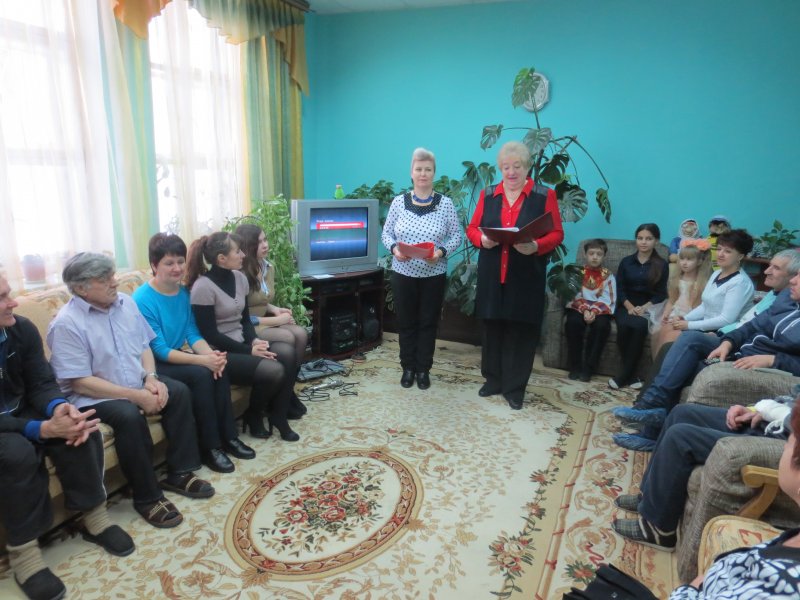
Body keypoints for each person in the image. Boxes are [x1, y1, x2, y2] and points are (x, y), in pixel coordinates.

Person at [47, 253, 214, 530]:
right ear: (81, 288)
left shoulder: (125, 303)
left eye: (112, 275)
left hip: (136, 381)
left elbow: (144, 346)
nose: (114, 282)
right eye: (105, 279)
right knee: (128, 415)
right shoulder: (67, 323)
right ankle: (147, 496)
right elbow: (80, 382)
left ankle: (180, 471)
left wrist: (151, 378)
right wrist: (135, 396)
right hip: (94, 396)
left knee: (178, 392)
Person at [0, 274, 134, 600]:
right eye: (2, 298)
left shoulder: (21, 329)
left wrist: (59, 408)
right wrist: (40, 429)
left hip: (24, 409)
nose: (13, 302)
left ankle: (96, 519)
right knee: (16, 455)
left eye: (9, 293)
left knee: (80, 429)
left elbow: (41, 382)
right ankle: (24, 556)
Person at [612, 269, 800, 449]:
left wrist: (773, 359)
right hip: (738, 348)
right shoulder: (786, 298)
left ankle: (650, 433)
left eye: (799, 277)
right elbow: (751, 326)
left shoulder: (745, 284)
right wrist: (728, 342)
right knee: (690, 338)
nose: (792, 280)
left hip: (757, 361)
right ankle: (652, 404)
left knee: (685, 367)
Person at [132, 233, 255, 474]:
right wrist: (203, 361)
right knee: (201, 374)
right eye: (169, 263)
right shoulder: (142, 299)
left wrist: (212, 357)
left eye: (180, 261)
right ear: (154, 265)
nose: (177, 268)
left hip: (175, 355)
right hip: (151, 364)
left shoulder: (183, 294)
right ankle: (210, 447)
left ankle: (229, 437)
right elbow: (159, 349)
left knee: (220, 368)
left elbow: (192, 333)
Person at [612, 391, 796, 551]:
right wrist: (755, 409)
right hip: (773, 420)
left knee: (680, 437)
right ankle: (648, 499)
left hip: (785, 438)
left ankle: (658, 530)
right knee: (681, 413)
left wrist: (771, 410)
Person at [466, 141, 564, 410]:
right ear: (501, 168)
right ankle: (493, 380)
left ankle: (515, 388)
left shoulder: (544, 195)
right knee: (492, 328)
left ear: (527, 167)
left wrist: (536, 246)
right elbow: (472, 228)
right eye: (506, 167)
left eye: (517, 166)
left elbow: (557, 233)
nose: (511, 172)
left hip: (526, 276)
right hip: (492, 274)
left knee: (521, 332)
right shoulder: (488, 195)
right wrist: (481, 239)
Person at [667, 401, 800, 598]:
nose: (785, 447)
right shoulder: (791, 542)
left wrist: (691, 589)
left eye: (790, 440)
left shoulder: (780, 584)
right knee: (682, 413)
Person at [187, 232, 299, 441]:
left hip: (243, 343)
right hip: (220, 352)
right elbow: (210, 335)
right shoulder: (202, 287)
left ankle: (279, 415)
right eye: (237, 251)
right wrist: (249, 350)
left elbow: (245, 320)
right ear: (222, 259)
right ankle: (254, 414)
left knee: (287, 353)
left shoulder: (239, 278)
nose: (243, 255)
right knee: (273, 369)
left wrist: (254, 340)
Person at [381, 147, 463, 389]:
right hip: (403, 273)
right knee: (406, 322)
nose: (423, 174)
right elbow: (386, 234)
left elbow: (456, 236)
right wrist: (395, 249)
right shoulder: (398, 202)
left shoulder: (445, 204)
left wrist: (440, 253)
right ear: (411, 172)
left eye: (428, 169)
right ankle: (408, 368)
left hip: (433, 274)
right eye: (419, 169)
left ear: (434, 173)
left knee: (428, 323)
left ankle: (423, 369)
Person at [235, 223, 309, 416]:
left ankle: (285, 393)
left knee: (301, 334)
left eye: (265, 239)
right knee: (288, 337)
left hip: (263, 320)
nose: (265, 245)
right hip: (247, 327)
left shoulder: (268, 267)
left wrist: (275, 309)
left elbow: (261, 300)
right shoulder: (239, 274)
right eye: (259, 242)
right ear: (247, 246)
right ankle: (282, 398)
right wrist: (276, 321)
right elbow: (241, 316)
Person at [608, 223, 669, 390]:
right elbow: (619, 288)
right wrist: (629, 307)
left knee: (639, 327)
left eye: (648, 239)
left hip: (649, 307)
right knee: (624, 326)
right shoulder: (626, 262)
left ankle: (623, 376)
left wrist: (644, 307)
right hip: (625, 304)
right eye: (640, 238)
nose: (643, 242)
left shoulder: (661, 264)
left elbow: (661, 293)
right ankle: (632, 375)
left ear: (656, 241)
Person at [563, 239, 617, 381]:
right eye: (591, 253)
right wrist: (585, 309)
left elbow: (609, 298)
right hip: (578, 307)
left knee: (602, 326)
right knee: (573, 323)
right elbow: (573, 294)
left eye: (599, 254)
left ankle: (589, 368)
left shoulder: (608, 276)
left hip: (599, 310)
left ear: (604, 256)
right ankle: (575, 366)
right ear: (585, 255)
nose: (595, 257)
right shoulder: (577, 272)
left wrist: (593, 311)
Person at [650, 238, 712, 358]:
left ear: (700, 261)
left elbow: (698, 307)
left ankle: (666, 362)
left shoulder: (701, 283)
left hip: (689, 316)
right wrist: (665, 314)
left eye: (689, 259)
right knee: (659, 332)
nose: (684, 263)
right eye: (682, 259)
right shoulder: (677, 279)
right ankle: (658, 362)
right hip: (674, 312)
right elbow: (672, 300)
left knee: (672, 335)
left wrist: (685, 319)